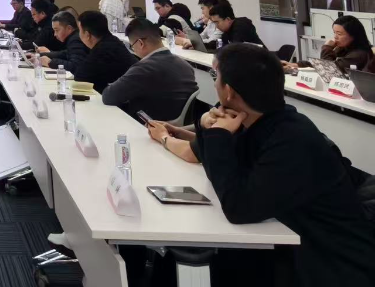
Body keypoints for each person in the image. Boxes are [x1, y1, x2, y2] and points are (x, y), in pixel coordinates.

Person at [195, 44, 375, 286]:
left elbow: (238, 208)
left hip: (331, 262)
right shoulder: (261, 122)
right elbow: (219, 175)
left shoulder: (291, 138)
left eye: (215, 76)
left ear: (228, 92)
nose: (214, 83)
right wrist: (207, 126)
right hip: (295, 248)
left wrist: (218, 136)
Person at [103, 18, 198, 120]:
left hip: (148, 124)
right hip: (176, 124)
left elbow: (108, 97)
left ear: (140, 43)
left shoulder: (144, 68)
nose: (133, 50)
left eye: (132, 46)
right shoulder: (186, 65)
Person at [65, 11, 136, 92]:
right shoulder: (112, 41)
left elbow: (80, 79)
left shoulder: (103, 51)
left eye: (80, 30)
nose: (78, 34)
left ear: (87, 35)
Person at [285, 15, 373, 74]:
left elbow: (328, 70)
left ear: (353, 35)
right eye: (334, 33)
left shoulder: (359, 54)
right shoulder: (343, 48)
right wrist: (296, 65)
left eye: (339, 34)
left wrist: (327, 48)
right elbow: (320, 64)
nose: (335, 37)